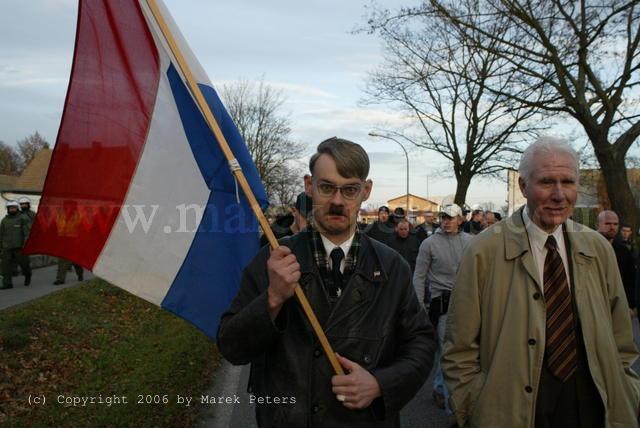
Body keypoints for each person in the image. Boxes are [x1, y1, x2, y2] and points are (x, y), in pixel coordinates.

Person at [217, 137, 436, 427]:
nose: (336, 201)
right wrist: (272, 299)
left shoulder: (392, 267)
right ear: (309, 185)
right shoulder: (273, 259)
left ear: (365, 191)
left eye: (350, 190)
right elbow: (231, 347)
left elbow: (420, 343)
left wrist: (379, 384)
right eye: (327, 187)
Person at [443, 137, 640, 427]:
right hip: (511, 410)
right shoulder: (483, 251)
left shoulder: (598, 249)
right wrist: (475, 406)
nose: (560, 194)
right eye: (547, 182)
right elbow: (459, 349)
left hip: (591, 404)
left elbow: (622, 339)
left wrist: (626, 391)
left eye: (568, 182)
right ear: (523, 187)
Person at [412, 203, 473, 417]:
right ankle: (453, 411)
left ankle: (439, 389)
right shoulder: (429, 244)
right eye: (443, 217)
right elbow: (419, 277)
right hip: (441, 305)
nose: (446, 221)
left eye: (450, 217)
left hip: (466, 304)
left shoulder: (471, 242)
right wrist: (419, 307)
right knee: (449, 353)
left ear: (461, 219)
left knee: (451, 352)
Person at [597, 210, 636, 314]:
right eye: (607, 223)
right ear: (597, 225)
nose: (612, 227)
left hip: (618, 303)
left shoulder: (623, 250)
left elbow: (630, 278)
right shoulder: (589, 247)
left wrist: (630, 305)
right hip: (595, 302)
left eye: (615, 224)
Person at [0, 201, 31, 289]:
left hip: (20, 247)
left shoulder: (23, 218)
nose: (12, 209)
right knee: (6, 266)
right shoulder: (4, 220)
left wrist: (26, 244)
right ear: (8, 209)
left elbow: (27, 233)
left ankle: (28, 275)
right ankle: (7, 284)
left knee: (24, 264)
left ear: (17, 208)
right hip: (7, 247)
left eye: (14, 208)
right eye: (10, 208)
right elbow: (1, 234)